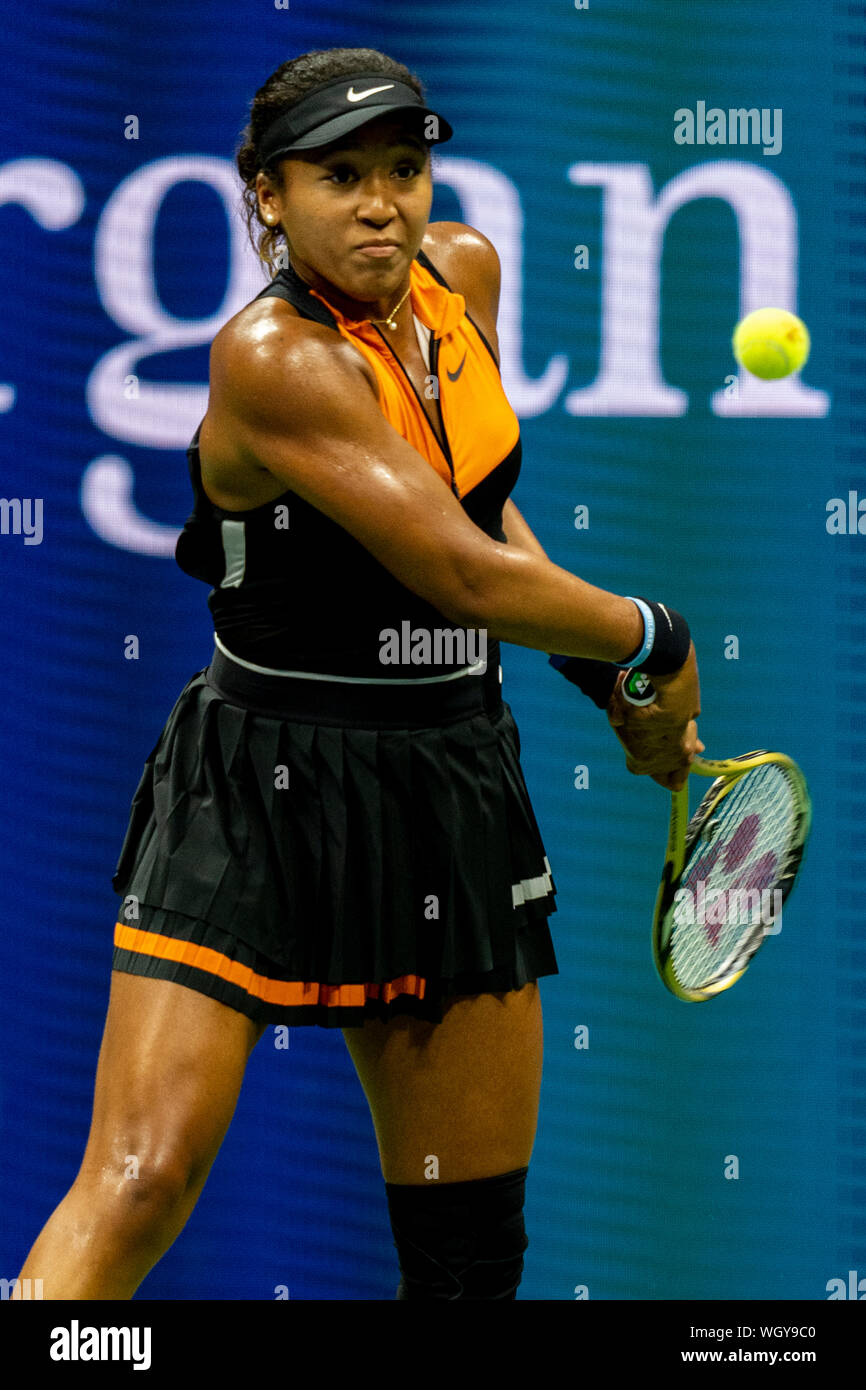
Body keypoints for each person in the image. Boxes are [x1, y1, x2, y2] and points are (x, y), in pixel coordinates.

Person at [13, 46, 701, 1301]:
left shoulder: (464, 276)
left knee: (466, 1254)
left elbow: (484, 517)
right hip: (257, 784)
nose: (383, 201)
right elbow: (464, 580)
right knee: (138, 1180)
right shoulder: (272, 362)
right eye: (341, 176)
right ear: (267, 197)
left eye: (404, 167)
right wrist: (652, 635)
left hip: (447, 780)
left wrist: (607, 687)